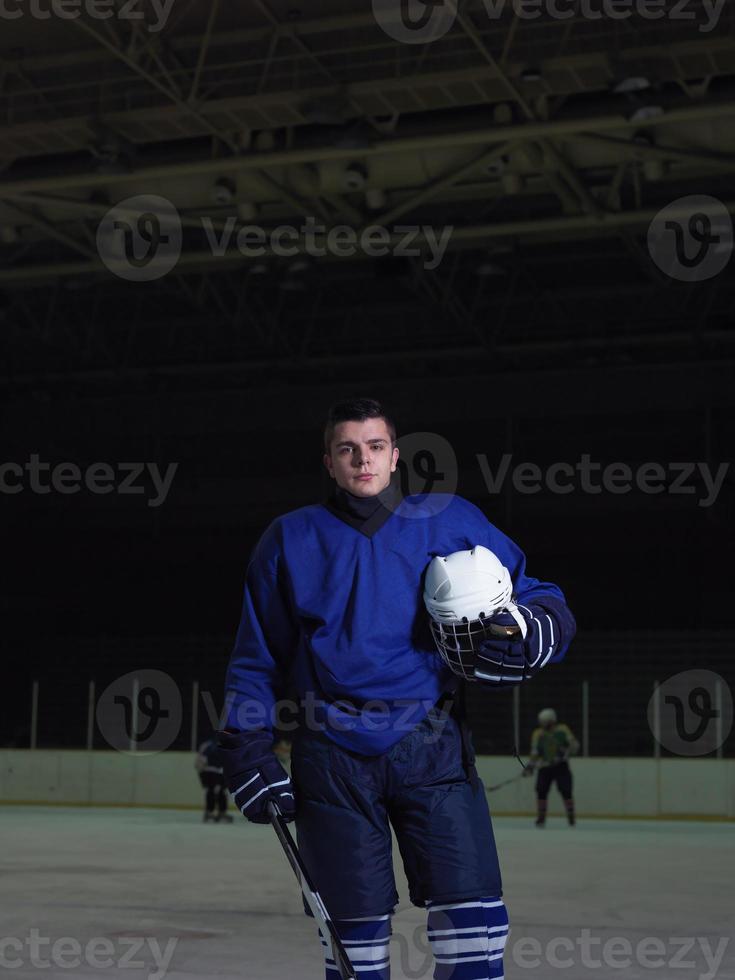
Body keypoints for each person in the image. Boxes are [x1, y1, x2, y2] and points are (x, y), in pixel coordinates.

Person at [218, 398, 576, 980]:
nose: (363, 460)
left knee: (476, 946)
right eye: (347, 449)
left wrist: (542, 626)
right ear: (329, 462)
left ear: (396, 455)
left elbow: (535, 591)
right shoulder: (288, 539)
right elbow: (257, 656)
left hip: (432, 743)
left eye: (375, 447)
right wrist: (246, 745)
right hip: (331, 757)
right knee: (355, 959)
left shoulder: (450, 518)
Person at [524, 708, 579, 827]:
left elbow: (574, 745)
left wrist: (566, 752)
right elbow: (535, 752)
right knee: (541, 790)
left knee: (566, 790)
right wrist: (530, 765)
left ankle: (571, 816)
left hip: (561, 766)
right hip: (545, 767)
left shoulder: (562, 730)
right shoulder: (538, 733)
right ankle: (541, 817)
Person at [195, 736, 233, 824]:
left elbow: (199, 760)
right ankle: (218, 812)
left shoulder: (208, 744)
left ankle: (212, 812)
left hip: (211, 771)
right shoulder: (223, 745)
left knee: (213, 791)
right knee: (218, 791)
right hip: (216, 771)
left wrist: (201, 771)